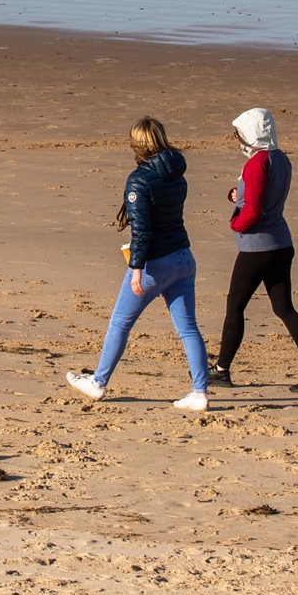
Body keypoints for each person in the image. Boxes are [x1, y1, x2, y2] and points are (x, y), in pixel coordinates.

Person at [66, 116, 210, 410]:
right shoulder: (177, 173)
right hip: (183, 257)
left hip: (155, 264)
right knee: (188, 328)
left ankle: (98, 382)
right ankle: (199, 392)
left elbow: (142, 230)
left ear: (138, 145)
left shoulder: (139, 179)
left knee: (120, 322)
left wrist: (136, 269)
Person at [212, 106, 298, 394]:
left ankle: (221, 370)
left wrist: (236, 224)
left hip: (257, 248)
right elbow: (262, 194)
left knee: (235, 307)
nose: (238, 141)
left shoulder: (256, 164)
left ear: (250, 136)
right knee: (284, 308)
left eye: (240, 135)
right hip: (281, 244)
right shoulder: (281, 159)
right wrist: (236, 193)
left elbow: (254, 210)